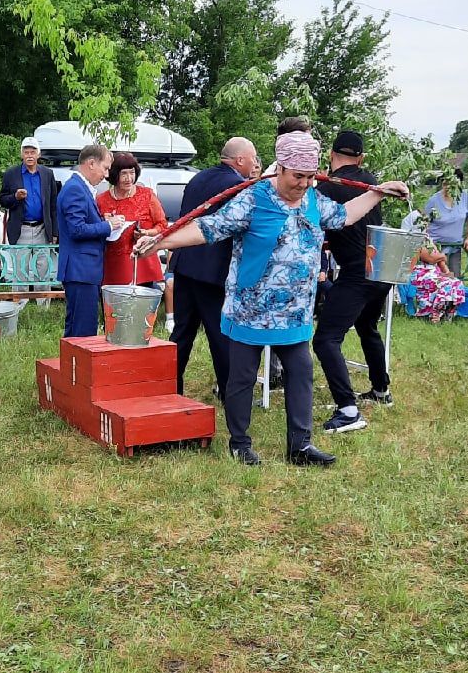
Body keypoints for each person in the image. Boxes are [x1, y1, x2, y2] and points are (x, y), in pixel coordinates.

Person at [135, 131, 409, 467]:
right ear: (280, 169)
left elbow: (343, 215)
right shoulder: (253, 199)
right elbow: (210, 227)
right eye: (298, 176)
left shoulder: (312, 200)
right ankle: (240, 443)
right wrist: (162, 242)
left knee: (301, 371)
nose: (304, 184)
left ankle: (300, 446)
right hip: (250, 306)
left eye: (310, 177)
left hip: (294, 311)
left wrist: (377, 193)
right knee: (242, 377)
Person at [312, 128, 393, 432]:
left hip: (356, 272)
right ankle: (381, 389)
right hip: (380, 268)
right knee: (367, 327)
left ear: (331, 155)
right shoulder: (371, 180)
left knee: (325, 339)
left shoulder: (328, 188)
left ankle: (348, 410)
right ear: (361, 158)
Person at [170, 137, 258, 400]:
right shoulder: (238, 186)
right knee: (221, 336)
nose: (254, 164)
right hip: (213, 272)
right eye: (253, 158)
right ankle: (230, 392)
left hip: (186, 265)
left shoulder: (198, 178)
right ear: (240, 160)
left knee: (182, 333)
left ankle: (169, 386)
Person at [56, 143, 121, 339]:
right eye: (106, 168)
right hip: (80, 270)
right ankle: (77, 368)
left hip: (83, 270)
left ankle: (71, 367)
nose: (107, 174)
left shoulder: (80, 187)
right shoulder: (75, 189)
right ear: (91, 163)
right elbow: (76, 229)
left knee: (77, 327)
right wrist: (108, 227)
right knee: (83, 331)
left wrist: (104, 221)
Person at [96, 151, 168, 288]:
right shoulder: (101, 200)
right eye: (124, 173)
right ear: (114, 174)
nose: (128, 178)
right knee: (113, 307)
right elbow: (95, 229)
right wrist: (105, 223)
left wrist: (146, 233)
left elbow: (162, 225)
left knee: (141, 306)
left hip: (142, 262)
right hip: (113, 264)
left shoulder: (146, 195)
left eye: (132, 172)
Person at [0, 137, 59, 245]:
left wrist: (55, 232)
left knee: (43, 262)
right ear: (22, 155)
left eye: (33, 152)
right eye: (26, 153)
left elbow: (53, 206)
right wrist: (15, 197)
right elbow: (2, 200)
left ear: (38, 154)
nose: (30, 156)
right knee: (21, 262)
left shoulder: (47, 174)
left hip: (43, 230)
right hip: (20, 230)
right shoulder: (11, 174)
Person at [422, 171, 468, 277]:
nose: (447, 187)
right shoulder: (434, 200)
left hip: (455, 246)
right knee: (435, 279)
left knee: (454, 279)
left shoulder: (465, 197)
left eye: (451, 184)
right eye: (445, 184)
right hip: (435, 248)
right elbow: (424, 222)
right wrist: (428, 244)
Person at [408, 243, 467, 322]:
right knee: (445, 284)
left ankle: (447, 312)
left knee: (457, 282)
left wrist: (447, 273)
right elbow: (430, 258)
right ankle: (435, 314)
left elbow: (440, 261)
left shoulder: (429, 241)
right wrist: (442, 256)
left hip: (433, 274)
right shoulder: (417, 241)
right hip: (419, 274)